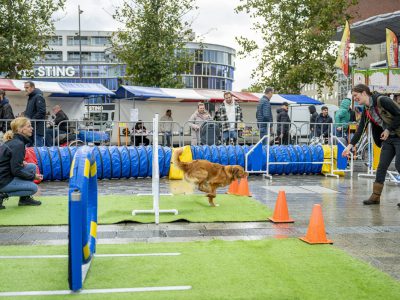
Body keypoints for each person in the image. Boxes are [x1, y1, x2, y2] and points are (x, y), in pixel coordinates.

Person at [342, 84, 400, 206]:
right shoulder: (367, 110)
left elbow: (399, 115)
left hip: (398, 136)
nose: (354, 99)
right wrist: (349, 147)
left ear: (364, 93)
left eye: (355, 96)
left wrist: (388, 129)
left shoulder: (382, 100)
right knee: (381, 166)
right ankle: (375, 196)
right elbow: (360, 129)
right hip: (389, 139)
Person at [0, 117, 43, 209]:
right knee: (33, 188)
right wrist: (33, 176)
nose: (32, 128)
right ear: (20, 129)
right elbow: (16, 171)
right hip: (3, 180)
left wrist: (20, 162)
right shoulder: (18, 144)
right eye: (29, 126)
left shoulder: (14, 142)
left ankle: (24, 199)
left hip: (4, 176)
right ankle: (2, 195)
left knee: (31, 167)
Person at [23, 81, 46, 147]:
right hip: (31, 127)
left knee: (38, 149)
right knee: (29, 148)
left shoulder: (38, 96)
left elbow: (41, 111)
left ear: (32, 87)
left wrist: (30, 121)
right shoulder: (31, 97)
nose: (25, 89)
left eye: (27, 87)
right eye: (25, 88)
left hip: (37, 128)